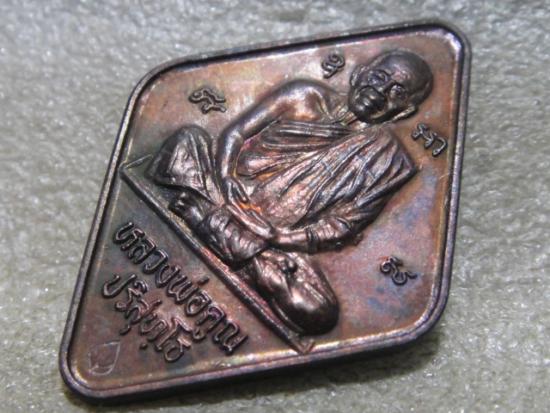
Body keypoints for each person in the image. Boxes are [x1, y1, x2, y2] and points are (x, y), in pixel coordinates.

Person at [148, 50, 433, 335]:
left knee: (319, 312)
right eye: (380, 77)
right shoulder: (303, 94)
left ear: (405, 111)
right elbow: (236, 133)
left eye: (397, 92)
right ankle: (238, 247)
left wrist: (280, 237)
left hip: (273, 238)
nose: (381, 91)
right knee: (186, 141)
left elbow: (343, 226)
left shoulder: (392, 162)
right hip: (228, 191)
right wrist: (225, 174)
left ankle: (206, 219)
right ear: (361, 73)